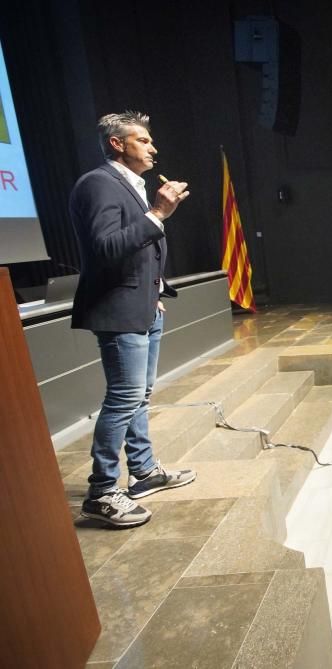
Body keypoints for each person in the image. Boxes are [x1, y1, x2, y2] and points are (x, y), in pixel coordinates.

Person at [71, 111, 196, 528]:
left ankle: (143, 474)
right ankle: (102, 492)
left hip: (142, 305)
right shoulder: (97, 184)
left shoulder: (130, 185)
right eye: (142, 140)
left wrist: (154, 289)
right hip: (117, 309)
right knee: (124, 398)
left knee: (139, 396)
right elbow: (106, 248)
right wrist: (158, 214)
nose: (152, 148)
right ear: (117, 144)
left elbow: (137, 253)